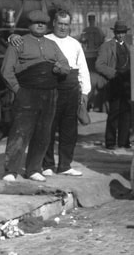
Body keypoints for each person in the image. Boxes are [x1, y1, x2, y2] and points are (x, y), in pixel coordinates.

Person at [0, 9, 70, 182]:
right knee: (20, 132)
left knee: (43, 132)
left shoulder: (52, 45)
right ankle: (11, 170)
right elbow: (6, 71)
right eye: (36, 23)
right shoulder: (18, 43)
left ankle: (33, 169)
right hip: (27, 92)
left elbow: (66, 65)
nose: (40, 25)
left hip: (50, 93)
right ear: (29, 25)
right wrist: (18, 90)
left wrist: (59, 68)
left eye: (43, 23)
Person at [42, 9, 90, 176]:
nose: (63, 27)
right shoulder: (45, 40)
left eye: (66, 24)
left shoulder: (75, 44)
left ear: (70, 26)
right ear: (54, 23)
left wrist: (84, 92)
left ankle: (65, 165)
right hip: (51, 89)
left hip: (71, 90)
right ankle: (47, 165)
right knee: (48, 127)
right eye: (60, 24)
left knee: (69, 130)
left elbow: (83, 69)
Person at [96, 20, 133, 149]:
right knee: (114, 113)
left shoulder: (129, 47)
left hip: (128, 84)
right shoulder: (107, 46)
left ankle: (124, 142)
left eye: (123, 33)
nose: (121, 35)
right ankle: (110, 142)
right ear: (115, 33)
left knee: (127, 113)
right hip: (114, 83)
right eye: (118, 33)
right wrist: (114, 73)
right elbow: (99, 65)